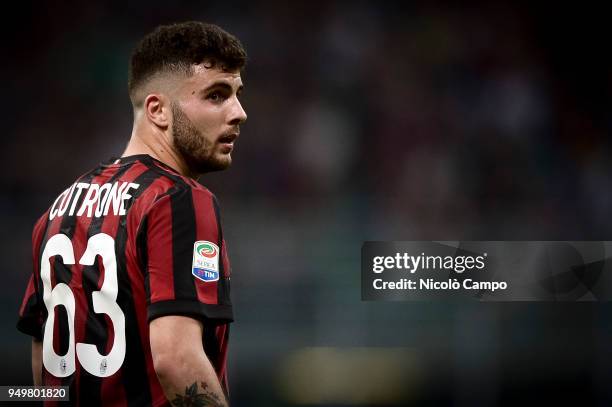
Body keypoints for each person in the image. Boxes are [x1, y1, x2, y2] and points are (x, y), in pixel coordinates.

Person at [16, 21, 247, 406]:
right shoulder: (178, 199)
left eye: (238, 94)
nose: (239, 112)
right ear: (157, 110)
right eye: (216, 95)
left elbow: (44, 363)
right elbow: (176, 361)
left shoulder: (57, 211)